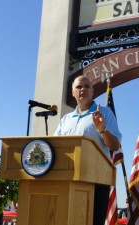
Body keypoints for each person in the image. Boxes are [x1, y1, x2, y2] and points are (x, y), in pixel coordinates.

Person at [54, 75, 122, 225]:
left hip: (95, 180)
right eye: (78, 87)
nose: (82, 89)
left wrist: (102, 129)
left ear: (92, 91)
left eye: (87, 86)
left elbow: (115, 145)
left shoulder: (105, 113)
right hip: (68, 179)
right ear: (73, 92)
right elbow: (55, 146)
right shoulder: (66, 119)